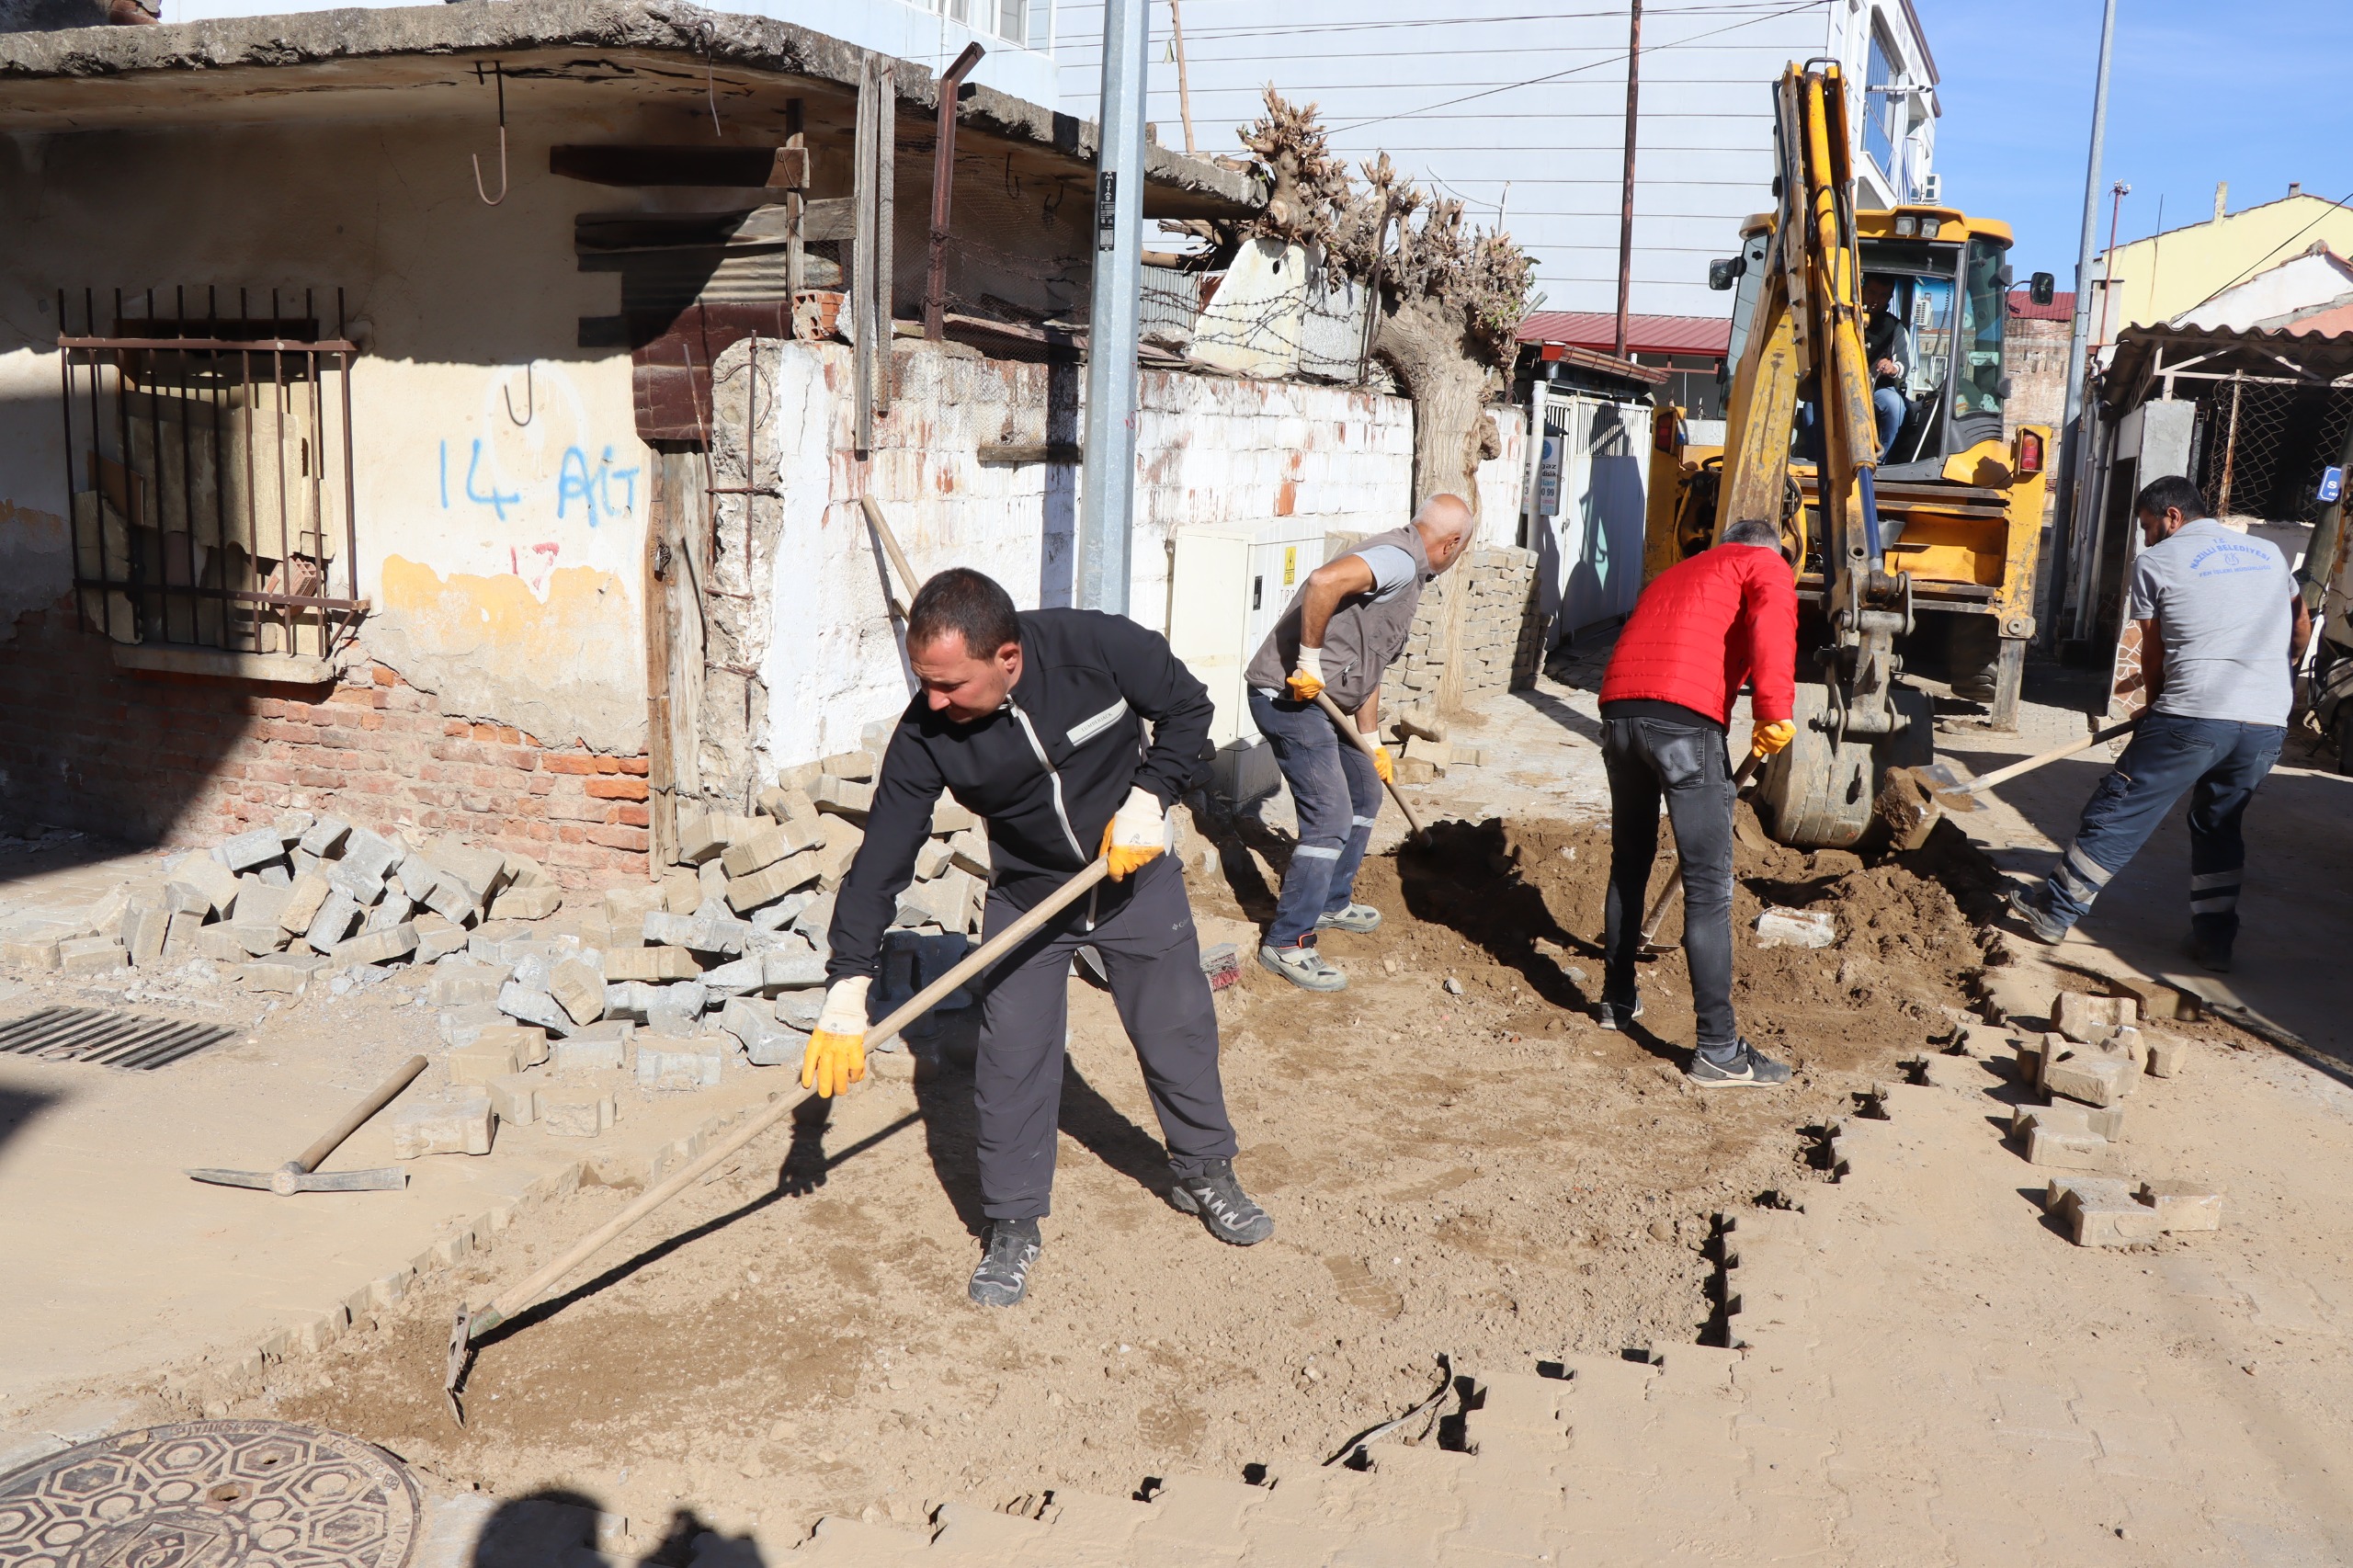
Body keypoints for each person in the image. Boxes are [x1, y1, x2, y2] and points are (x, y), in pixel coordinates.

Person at [800, 568, 1272, 1309]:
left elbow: (1189, 709)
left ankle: (1205, 1171)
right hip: (1030, 900)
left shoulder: (1099, 647)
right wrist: (847, 985)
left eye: (951, 684)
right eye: (925, 681)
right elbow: (881, 859)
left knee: (1177, 1031)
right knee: (1013, 1062)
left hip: (1133, 875)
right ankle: (1013, 1226)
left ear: (1007, 659)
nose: (933, 701)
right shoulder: (927, 734)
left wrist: (1152, 796)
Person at [2010, 476, 2311, 971]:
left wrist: (2153, 702)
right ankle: (2214, 943)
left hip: (2193, 713)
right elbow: (2299, 624)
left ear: (2173, 516)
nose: (2146, 539)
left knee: (2122, 809)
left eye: (2148, 527)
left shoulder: (2155, 561)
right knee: (2219, 825)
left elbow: (2152, 647)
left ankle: (2055, 909)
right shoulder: (2270, 555)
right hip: (2265, 723)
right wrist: (2282, 677)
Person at [1241, 494, 1477, 992]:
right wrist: (1307, 660)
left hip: (1330, 702)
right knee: (1328, 817)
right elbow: (1323, 582)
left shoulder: (1407, 572)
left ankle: (1331, 902)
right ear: (1452, 542)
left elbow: (1368, 667)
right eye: (1461, 548)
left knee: (1367, 789)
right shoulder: (1396, 558)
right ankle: (1287, 942)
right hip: (1291, 699)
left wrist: (1371, 740)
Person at [1595, 517, 1799, 1086]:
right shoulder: (1764, 563)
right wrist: (1774, 708)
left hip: (1618, 713)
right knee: (1709, 885)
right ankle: (1717, 1050)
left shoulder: (1679, 572)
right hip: (1683, 721)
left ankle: (1615, 1000)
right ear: (1767, 548)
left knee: (1629, 861)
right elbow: (1774, 624)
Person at [1862, 274, 1911, 460]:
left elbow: (1904, 363)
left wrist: (1893, 367)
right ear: (1863, 290)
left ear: (1890, 298)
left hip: (1877, 388)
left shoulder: (1895, 327)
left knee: (1895, 405)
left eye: (1883, 295)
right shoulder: (1843, 317)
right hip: (1837, 386)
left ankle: (1882, 460)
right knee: (1813, 404)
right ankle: (1815, 459)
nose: (1876, 300)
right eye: (1872, 292)